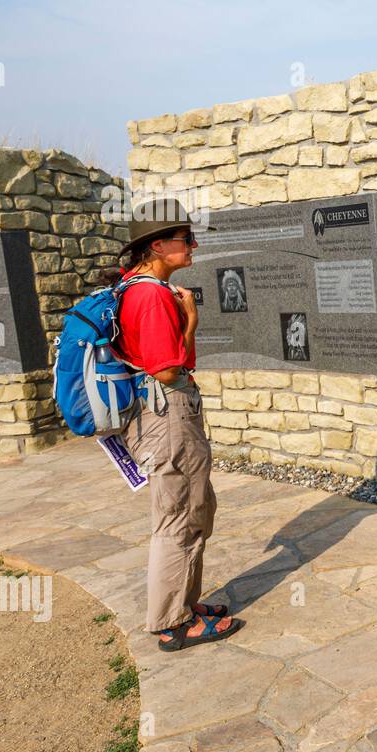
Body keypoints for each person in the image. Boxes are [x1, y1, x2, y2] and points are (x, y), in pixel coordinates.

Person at [112, 198, 242, 652]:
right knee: (179, 515)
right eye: (186, 239)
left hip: (163, 414)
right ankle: (171, 623)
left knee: (192, 506)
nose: (193, 245)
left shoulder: (134, 287)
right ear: (158, 245)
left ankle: (184, 603)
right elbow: (169, 369)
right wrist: (190, 321)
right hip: (168, 415)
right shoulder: (150, 296)